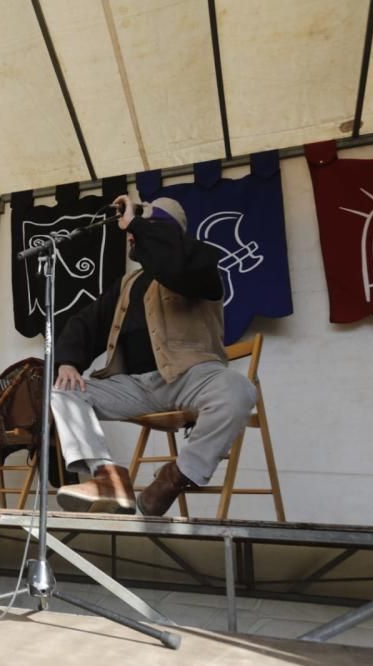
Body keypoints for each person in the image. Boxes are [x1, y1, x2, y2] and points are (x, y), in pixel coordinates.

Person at [51, 194, 257, 516]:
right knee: (62, 391)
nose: (132, 234)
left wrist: (139, 222)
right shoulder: (127, 283)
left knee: (239, 390)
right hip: (135, 387)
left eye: (141, 228)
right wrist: (68, 362)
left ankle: (175, 478)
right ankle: (108, 480)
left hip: (193, 377)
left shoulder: (197, 261)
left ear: (164, 231)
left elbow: (173, 262)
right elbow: (87, 322)